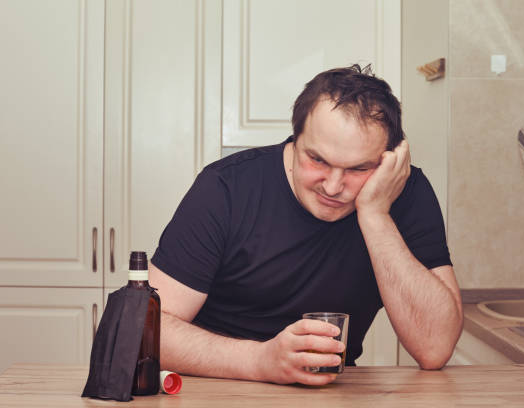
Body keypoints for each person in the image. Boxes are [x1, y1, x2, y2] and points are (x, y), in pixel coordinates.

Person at [149, 64, 463, 386]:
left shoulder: (404, 193)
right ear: (295, 138)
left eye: (358, 169)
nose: (333, 186)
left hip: (333, 392)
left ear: (388, 160)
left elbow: (434, 348)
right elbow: (148, 330)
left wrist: (375, 215)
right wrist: (261, 361)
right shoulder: (226, 188)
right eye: (318, 160)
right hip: (218, 384)